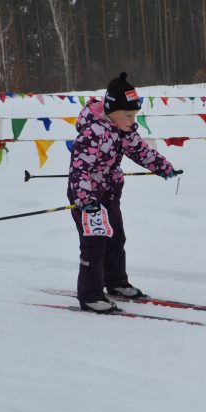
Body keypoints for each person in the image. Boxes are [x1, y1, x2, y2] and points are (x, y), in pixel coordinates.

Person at [67, 71, 178, 313]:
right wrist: (86, 201)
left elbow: (141, 151)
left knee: (116, 239)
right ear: (111, 111)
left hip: (110, 194)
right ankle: (90, 294)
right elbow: (79, 170)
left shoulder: (123, 130)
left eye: (134, 114)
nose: (132, 119)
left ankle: (116, 282)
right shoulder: (92, 134)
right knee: (94, 244)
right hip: (88, 197)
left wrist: (163, 167)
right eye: (128, 115)